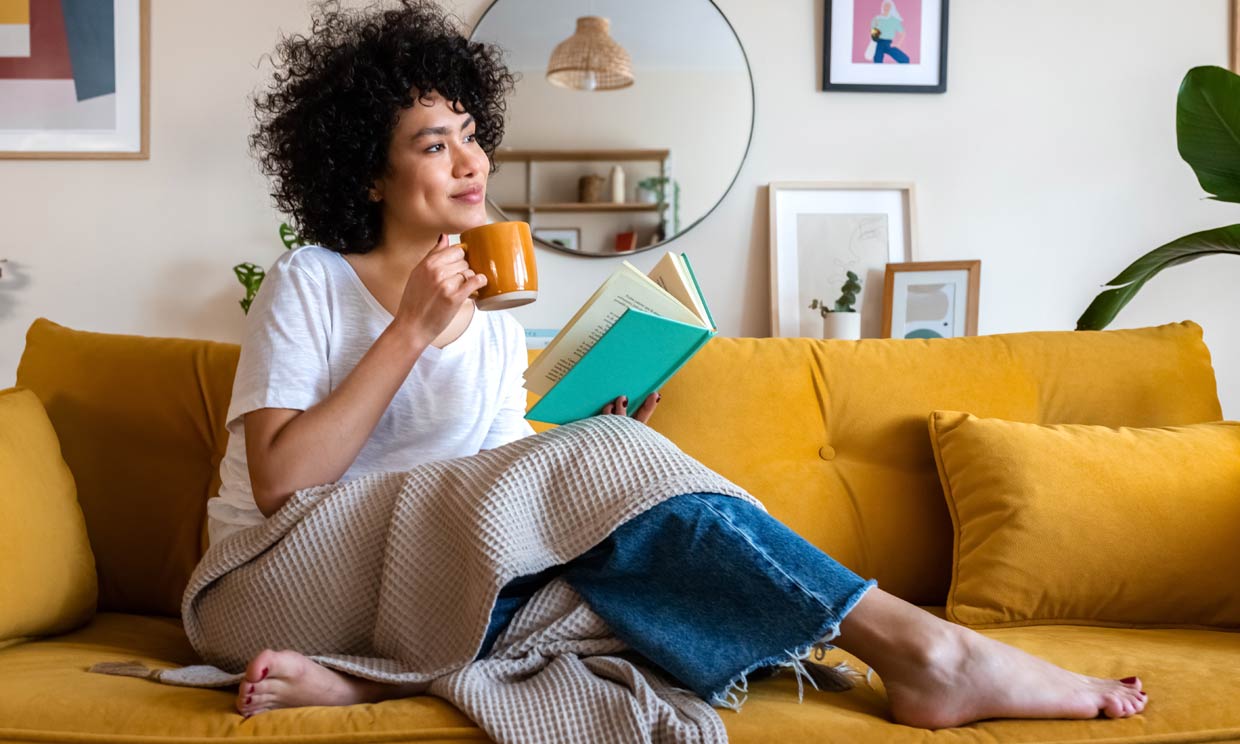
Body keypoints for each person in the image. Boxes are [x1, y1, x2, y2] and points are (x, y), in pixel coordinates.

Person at [211, 0, 1149, 729]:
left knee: (626, 562)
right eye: (433, 143)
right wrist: (409, 331)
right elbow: (282, 483)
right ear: (367, 175)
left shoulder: (491, 318)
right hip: (275, 580)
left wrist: (594, 448)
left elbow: (490, 490)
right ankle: (926, 649)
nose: (471, 160)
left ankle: (367, 685)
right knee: (615, 535)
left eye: (469, 132)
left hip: (421, 584)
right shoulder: (313, 281)